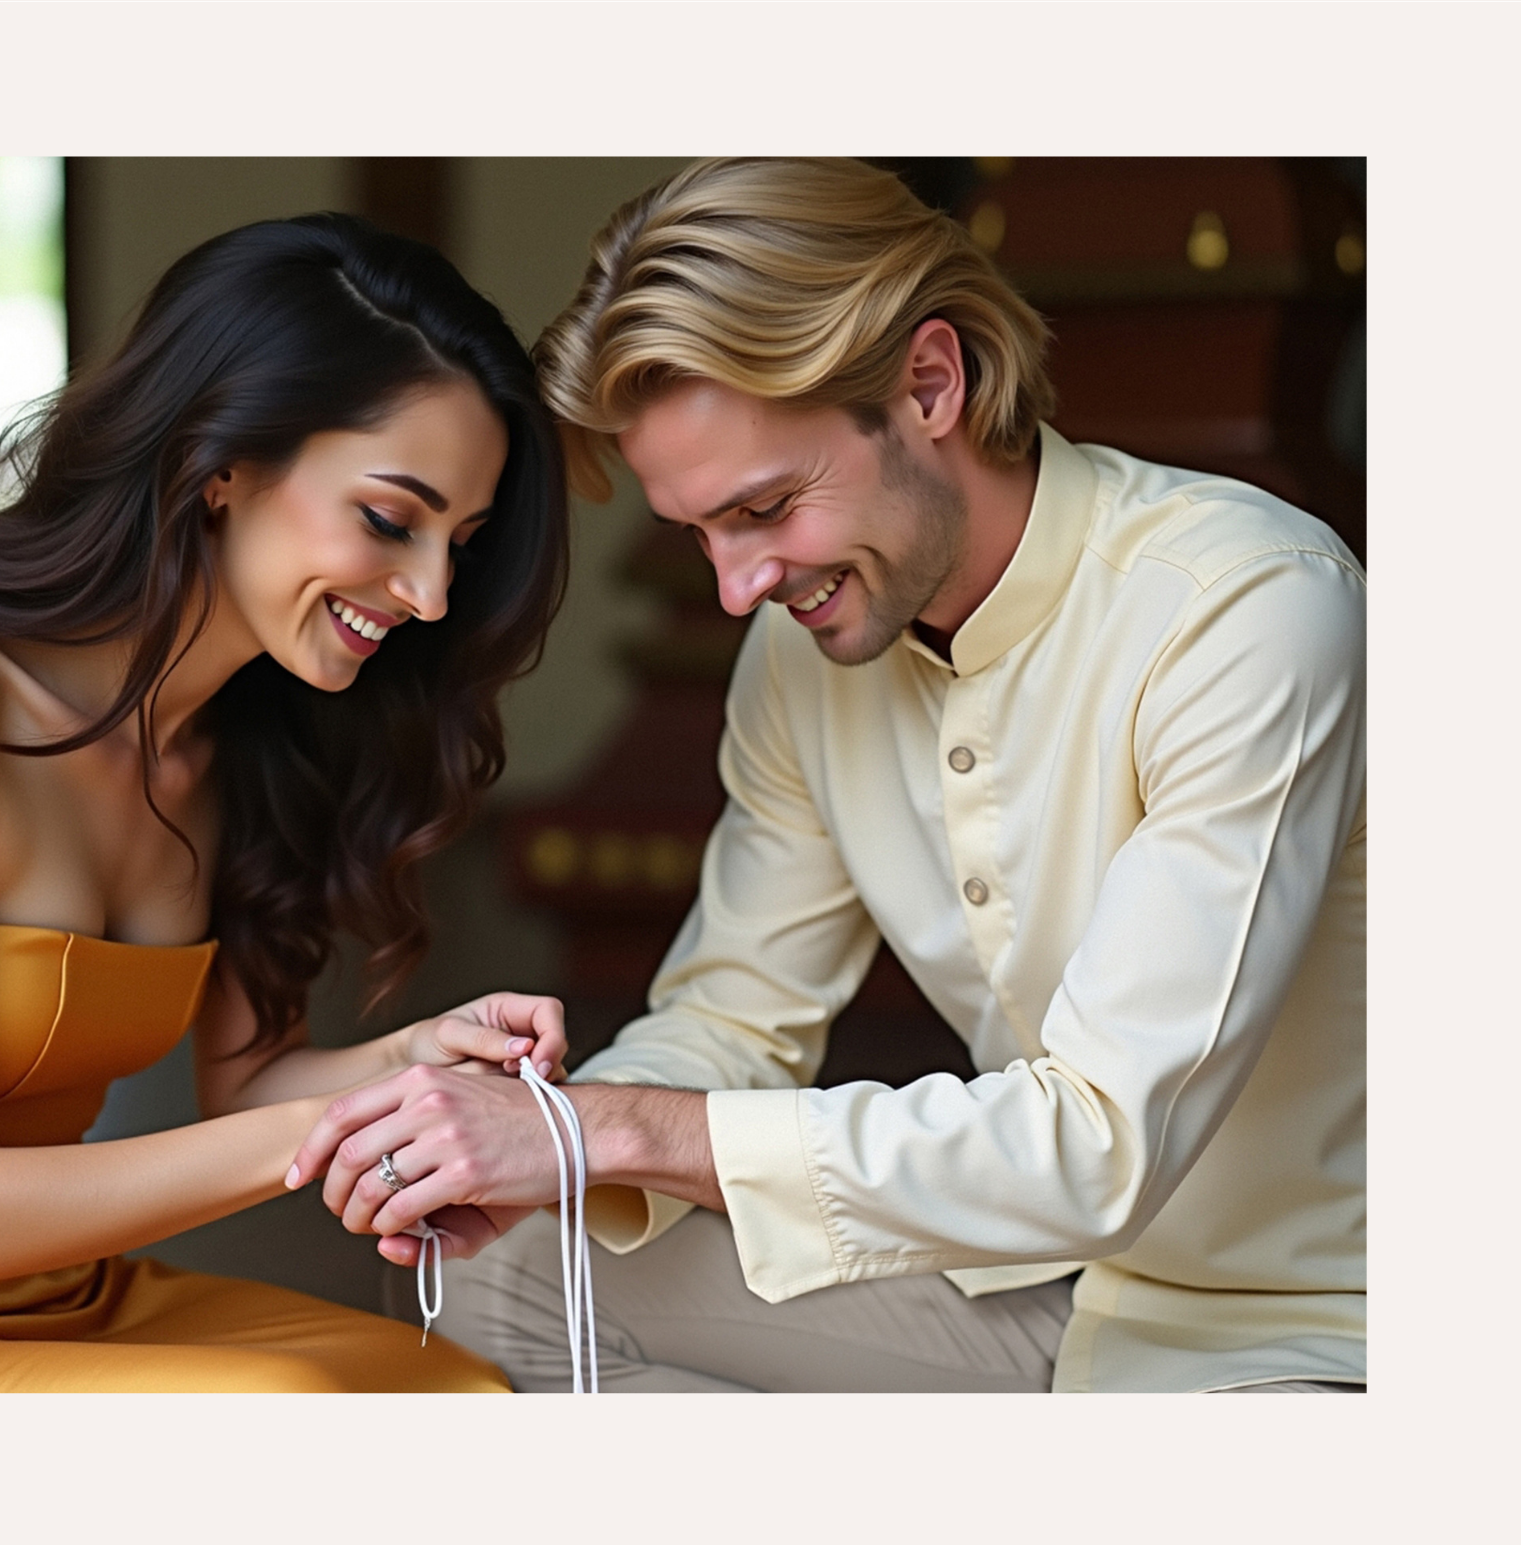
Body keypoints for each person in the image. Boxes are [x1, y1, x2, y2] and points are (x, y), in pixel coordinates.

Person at [290, 159, 1366, 1394]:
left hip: (1307, 1334)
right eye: (699, 531)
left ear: (926, 383)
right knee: (511, 1274)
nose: (735, 584)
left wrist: (617, 1132)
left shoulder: (1243, 610)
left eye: (764, 508)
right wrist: (542, 1143)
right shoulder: (796, 660)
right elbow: (734, 1017)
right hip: (1035, 1300)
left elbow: (1098, 1145)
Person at [0, 213, 572, 1393]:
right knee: (287, 1413)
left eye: (461, 542)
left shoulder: (240, 746)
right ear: (222, 463)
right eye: (388, 520)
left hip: (56, 1302)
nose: (430, 593)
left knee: (452, 1394)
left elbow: (248, 1086)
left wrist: (418, 1068)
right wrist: (336, 1133)